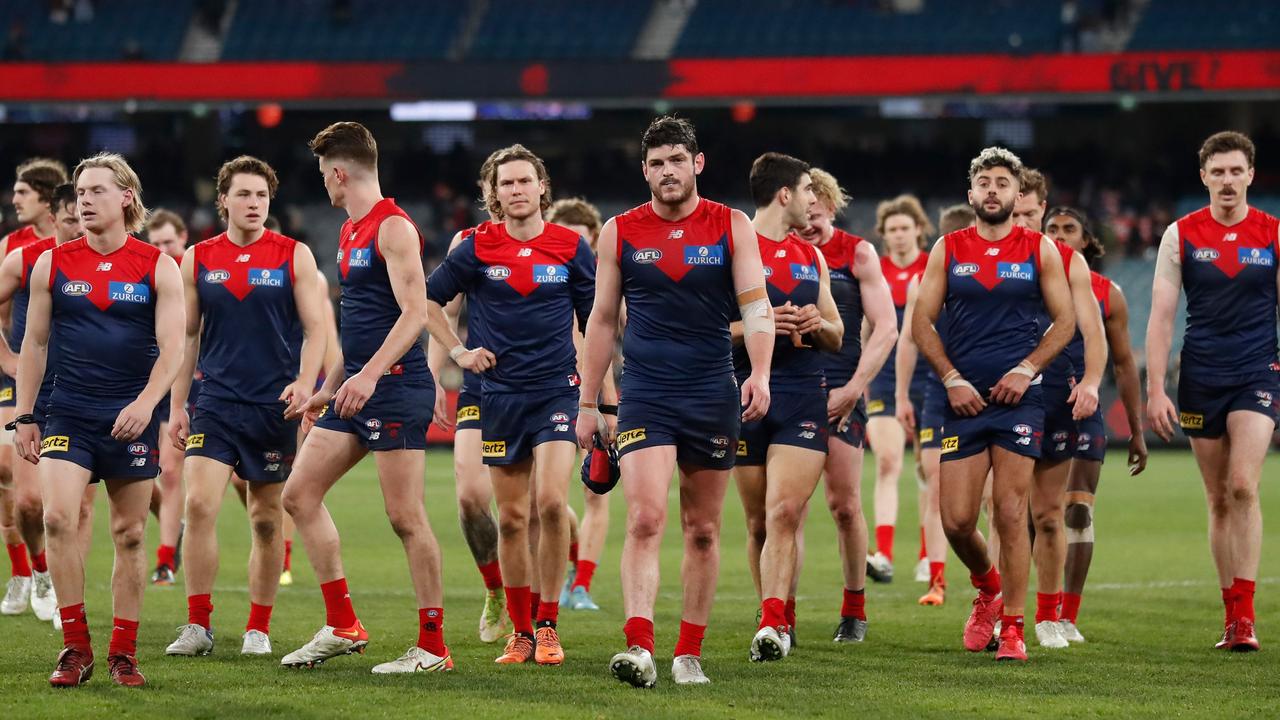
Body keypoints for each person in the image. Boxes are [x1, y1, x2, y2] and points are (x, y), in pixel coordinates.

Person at [576, 116, 773, 687]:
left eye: (676, 161)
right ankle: (639, 646)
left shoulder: (731, 225)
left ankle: (689, 652)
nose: (667, 172)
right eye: (657, 164)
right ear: (645, 171)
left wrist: (759, 372)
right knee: (643, 517)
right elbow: (603, 319)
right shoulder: (620, 231)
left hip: (713, 391)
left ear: (697, 164)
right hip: (646, 393)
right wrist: (590, 402)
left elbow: (756, 305)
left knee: (704, 529)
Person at [280, 122, 451, 673]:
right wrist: (327, 389)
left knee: (405, 516)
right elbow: (358, 326)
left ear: (338, 173)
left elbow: (414, 313)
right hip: (354, 388)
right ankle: (343, 624)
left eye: (323, 175)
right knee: (298, 495)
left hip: (395, 387)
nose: (323, 186)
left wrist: (370, 376)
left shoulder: (394, 228)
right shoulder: (352, 230)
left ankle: (433, 647)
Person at [15, 153, 184, 686]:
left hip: (130, 417)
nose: (83, 201)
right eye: (81, 193)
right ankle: (75, 647)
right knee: (58, 518)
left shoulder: (157, 265)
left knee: (130, 533)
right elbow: (35, 343)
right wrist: (24, 415)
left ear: (126, 198)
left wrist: (146, 404)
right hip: (68, 410)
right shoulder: (53, 263)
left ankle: (123, 653)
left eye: (95, 192)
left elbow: (173, 346)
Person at [426, 144, 595, 666]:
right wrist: (457, 352)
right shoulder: (476, 246)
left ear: (542, 186)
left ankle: (548, 626)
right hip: (498, 397)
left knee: (550, 503)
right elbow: (427, 302)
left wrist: (601, 400)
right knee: (513, 517)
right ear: (492, 193)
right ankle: (520, 632)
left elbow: (598, 323)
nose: (517, 190)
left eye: (525, 181)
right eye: (506, 184)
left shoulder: (571, 246)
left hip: (557, 393)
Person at [912, 147, 1075, 662]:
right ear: (970, 193)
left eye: (1002, 183)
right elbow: (921, 321)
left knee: (1009, 512)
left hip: (1020, 402)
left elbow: (1065, 322)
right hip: (961, 400)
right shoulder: (949, 247)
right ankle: (988, 587)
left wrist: (1027, 370)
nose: (992, 191)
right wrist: (952, 378)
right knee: (957, 521)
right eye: (983, 182)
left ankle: (1013, 628)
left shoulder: (1039, 248)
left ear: (1016, 193)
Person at [163, 156, 325, 658]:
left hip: (273, 407)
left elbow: (317, 329)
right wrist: (177, 405)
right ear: (223, 201)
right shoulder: (198, 258)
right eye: (244, 195)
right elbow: (188, 336)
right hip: (215, 401)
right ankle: (197, 625)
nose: (254, 204)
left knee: (265, 518)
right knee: (198, 504)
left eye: (261, 196)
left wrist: (304, 382)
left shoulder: (294, 255)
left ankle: (258, 626)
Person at [1146, 130, 1275, 652]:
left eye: (1235, 170)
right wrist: (1156, 389)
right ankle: (1230, 614)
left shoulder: (1272, 233)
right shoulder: (1180, 235)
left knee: (1244, 486)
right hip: (1201, 377)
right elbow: (1161, 315)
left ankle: (1246, 618)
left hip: (1257, 373)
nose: (1226, 180)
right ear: (1204, 177)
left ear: (1250, 174)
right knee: (1219, 497)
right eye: (1216, 172)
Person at [1010, 168, 1106, 650]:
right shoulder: (981, 257)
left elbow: (1093, 331)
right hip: (1001, 397)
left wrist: (1091, 381)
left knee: (1049, 514)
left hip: (1056, 397)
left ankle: (1047, 616)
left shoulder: (1068, 262)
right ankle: (994, 610)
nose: (1023, 222)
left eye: (1031, 214)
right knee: (1000, 512)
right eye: (1016, 212)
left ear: (1043, 210)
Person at [1044, 206, 1148, 642]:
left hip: (1084, 410)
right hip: (1034, 406)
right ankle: (1028, 608)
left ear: (1087, 240)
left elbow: (1124, 365)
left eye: (1070, 229)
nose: (1061, 235)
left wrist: (1137, 430)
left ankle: (1067, 614)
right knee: (1035, 516)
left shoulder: (1109, 294)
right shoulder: (1029, 283)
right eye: (1053, 228)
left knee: (1078, 510)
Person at [896, 204, 978, 608]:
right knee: (934, 488)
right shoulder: (924, 283)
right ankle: (938, 580)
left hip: (987, 392)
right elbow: (909, 340)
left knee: (990, 500)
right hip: (936, 395)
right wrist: (899, 396)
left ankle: (989, 585)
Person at [0, 157, 66, 621]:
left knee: (64, 506)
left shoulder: (89, 250)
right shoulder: (17, 251)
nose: (14, 200)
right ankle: (30, 573)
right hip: (20, 382)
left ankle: (57, 584)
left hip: (75, 387)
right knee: (16, 488)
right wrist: (7, 358)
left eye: (23, 192)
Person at [546, 197, 616, 612]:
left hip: (590, 386)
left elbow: (601, 335)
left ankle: (581, 585)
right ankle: (568, 562)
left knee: (596, 488)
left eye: (583, 243)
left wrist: (607, 400)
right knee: (550, 499)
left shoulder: (602, 279)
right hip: (548, 386)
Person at [864, 195, 933, 584]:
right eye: (892, 230)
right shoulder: (877, 272)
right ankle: (884, 555)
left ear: (919, 230)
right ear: (884, 235)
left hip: (930, 377)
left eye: (905, 228)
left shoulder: (932, 269)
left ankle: (928, 555)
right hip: (885, 378)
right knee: (888, 462)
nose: (899, 235)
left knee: (928, 469)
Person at [144, 209, 190, 585]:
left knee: (172, 471)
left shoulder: (193, 274)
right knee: (145, 475)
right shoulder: (151, 275)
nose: (162, 249)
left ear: (183, 238)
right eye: (155, 243)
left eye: (168, 242)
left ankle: (165, 559)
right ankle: (175, 527)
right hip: (151, 381)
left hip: (187, 382)